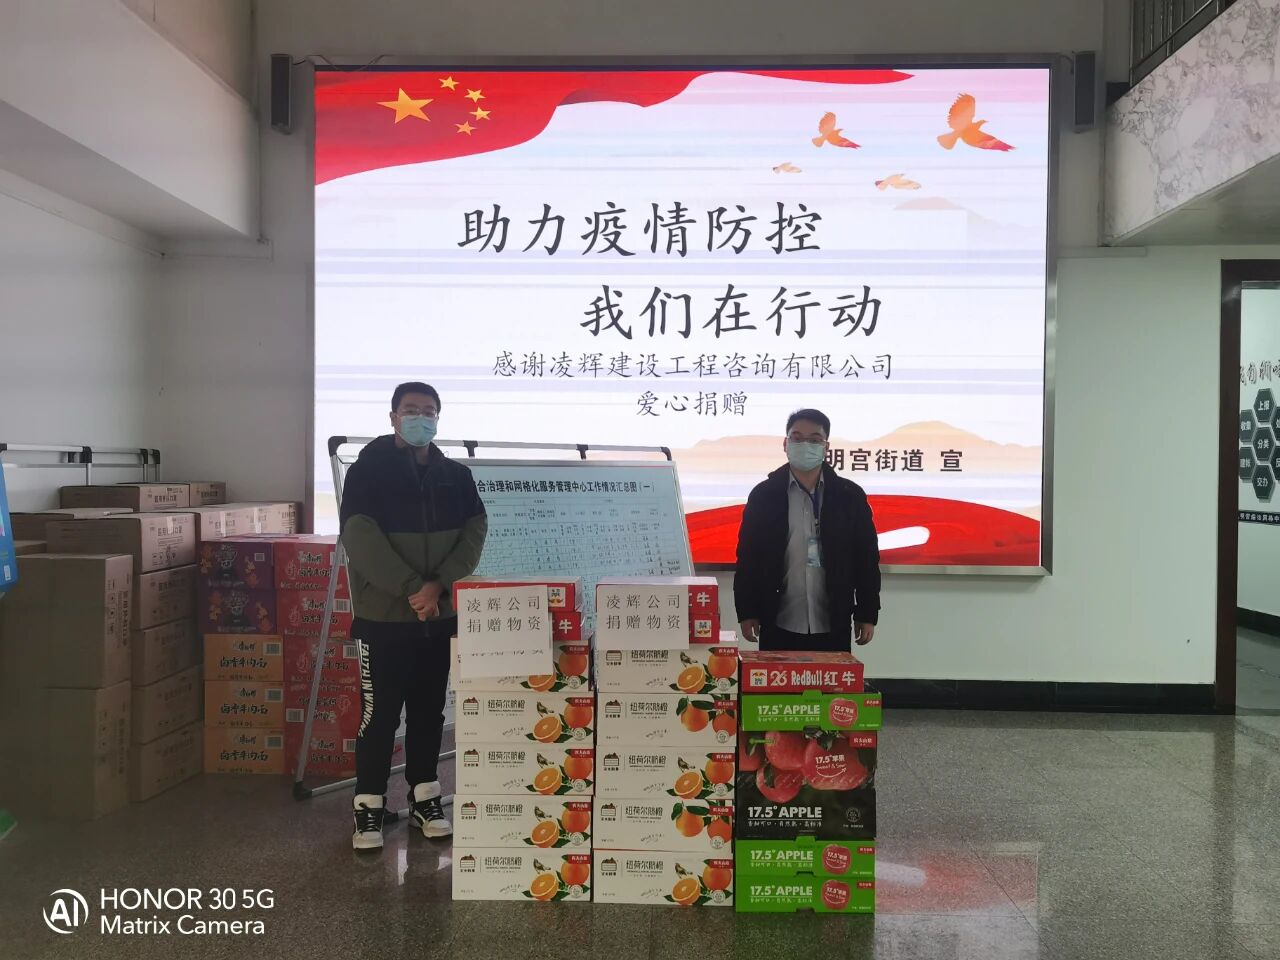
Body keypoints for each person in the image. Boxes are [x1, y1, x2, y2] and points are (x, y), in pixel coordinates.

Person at [340, 382, 488, 851]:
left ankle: (426, 798)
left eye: (428, 411)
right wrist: (412, 588)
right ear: (393, 417)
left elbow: (474, 531)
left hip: (438, 617)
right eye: (410, 410)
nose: (419, 418)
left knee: (429, 713)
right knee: (379, 716)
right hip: (384, 618)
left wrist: (438, 586)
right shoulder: (367, 472)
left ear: (438, 419)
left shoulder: (456, 476)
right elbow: (360, 538)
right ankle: (368, 806)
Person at [734, 408, 880, 652]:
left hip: (833, 621)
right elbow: (748, 557)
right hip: (778, 620)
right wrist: (747, 611)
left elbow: (866, 558)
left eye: (814, 440)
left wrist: (867, 612)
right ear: (785, 444)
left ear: (826, 447)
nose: (805, 445)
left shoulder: (849, 496)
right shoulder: (764, 495)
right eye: (797, 438)